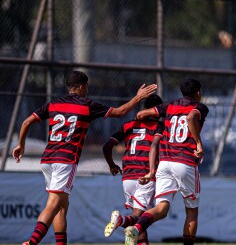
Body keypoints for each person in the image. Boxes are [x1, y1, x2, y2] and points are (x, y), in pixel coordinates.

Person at [12, 70, 157, 245]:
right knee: (52, 205)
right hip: (65, 161)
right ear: (81, 87)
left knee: (61, 207)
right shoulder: (87, 105)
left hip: (47, 160)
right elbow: (120, 112)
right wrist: (138, 97)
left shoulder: (53, 104)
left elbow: (26, 122)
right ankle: (32, 242)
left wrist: (21, 145)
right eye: (87, 87)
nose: (87, 90)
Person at [124, 78, 209, 245]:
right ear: (198, 93)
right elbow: (192, 117)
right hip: (185, 161)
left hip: (165, 163)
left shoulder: (169, 106)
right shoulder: (200, 107)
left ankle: (136, 229)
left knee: (162, 209)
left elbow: (141, 114)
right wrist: (198, 143)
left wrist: (151, 113)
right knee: (191, 210)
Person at [103, 94, 164, 245]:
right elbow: (155, 147)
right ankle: (120, 220)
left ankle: (124, 223)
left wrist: (111, 165)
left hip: (128, 175)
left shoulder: (128, 125)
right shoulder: (160, 126)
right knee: (139, 219)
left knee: (138, 225)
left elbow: (107, 146)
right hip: (145, 175)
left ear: (143, 109)